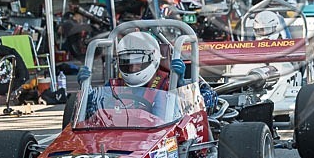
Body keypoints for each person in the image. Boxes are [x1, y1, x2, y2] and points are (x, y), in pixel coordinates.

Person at [77, 31, 217, 109]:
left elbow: (199, 105)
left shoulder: (169, 83)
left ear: (153, 59)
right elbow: (92, 110)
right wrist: (85, 89)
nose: (132, 68)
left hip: (161, 140)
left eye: (138, 63)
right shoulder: (114, 86)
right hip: (119, 141)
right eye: (127, 63)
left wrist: (181, 86)